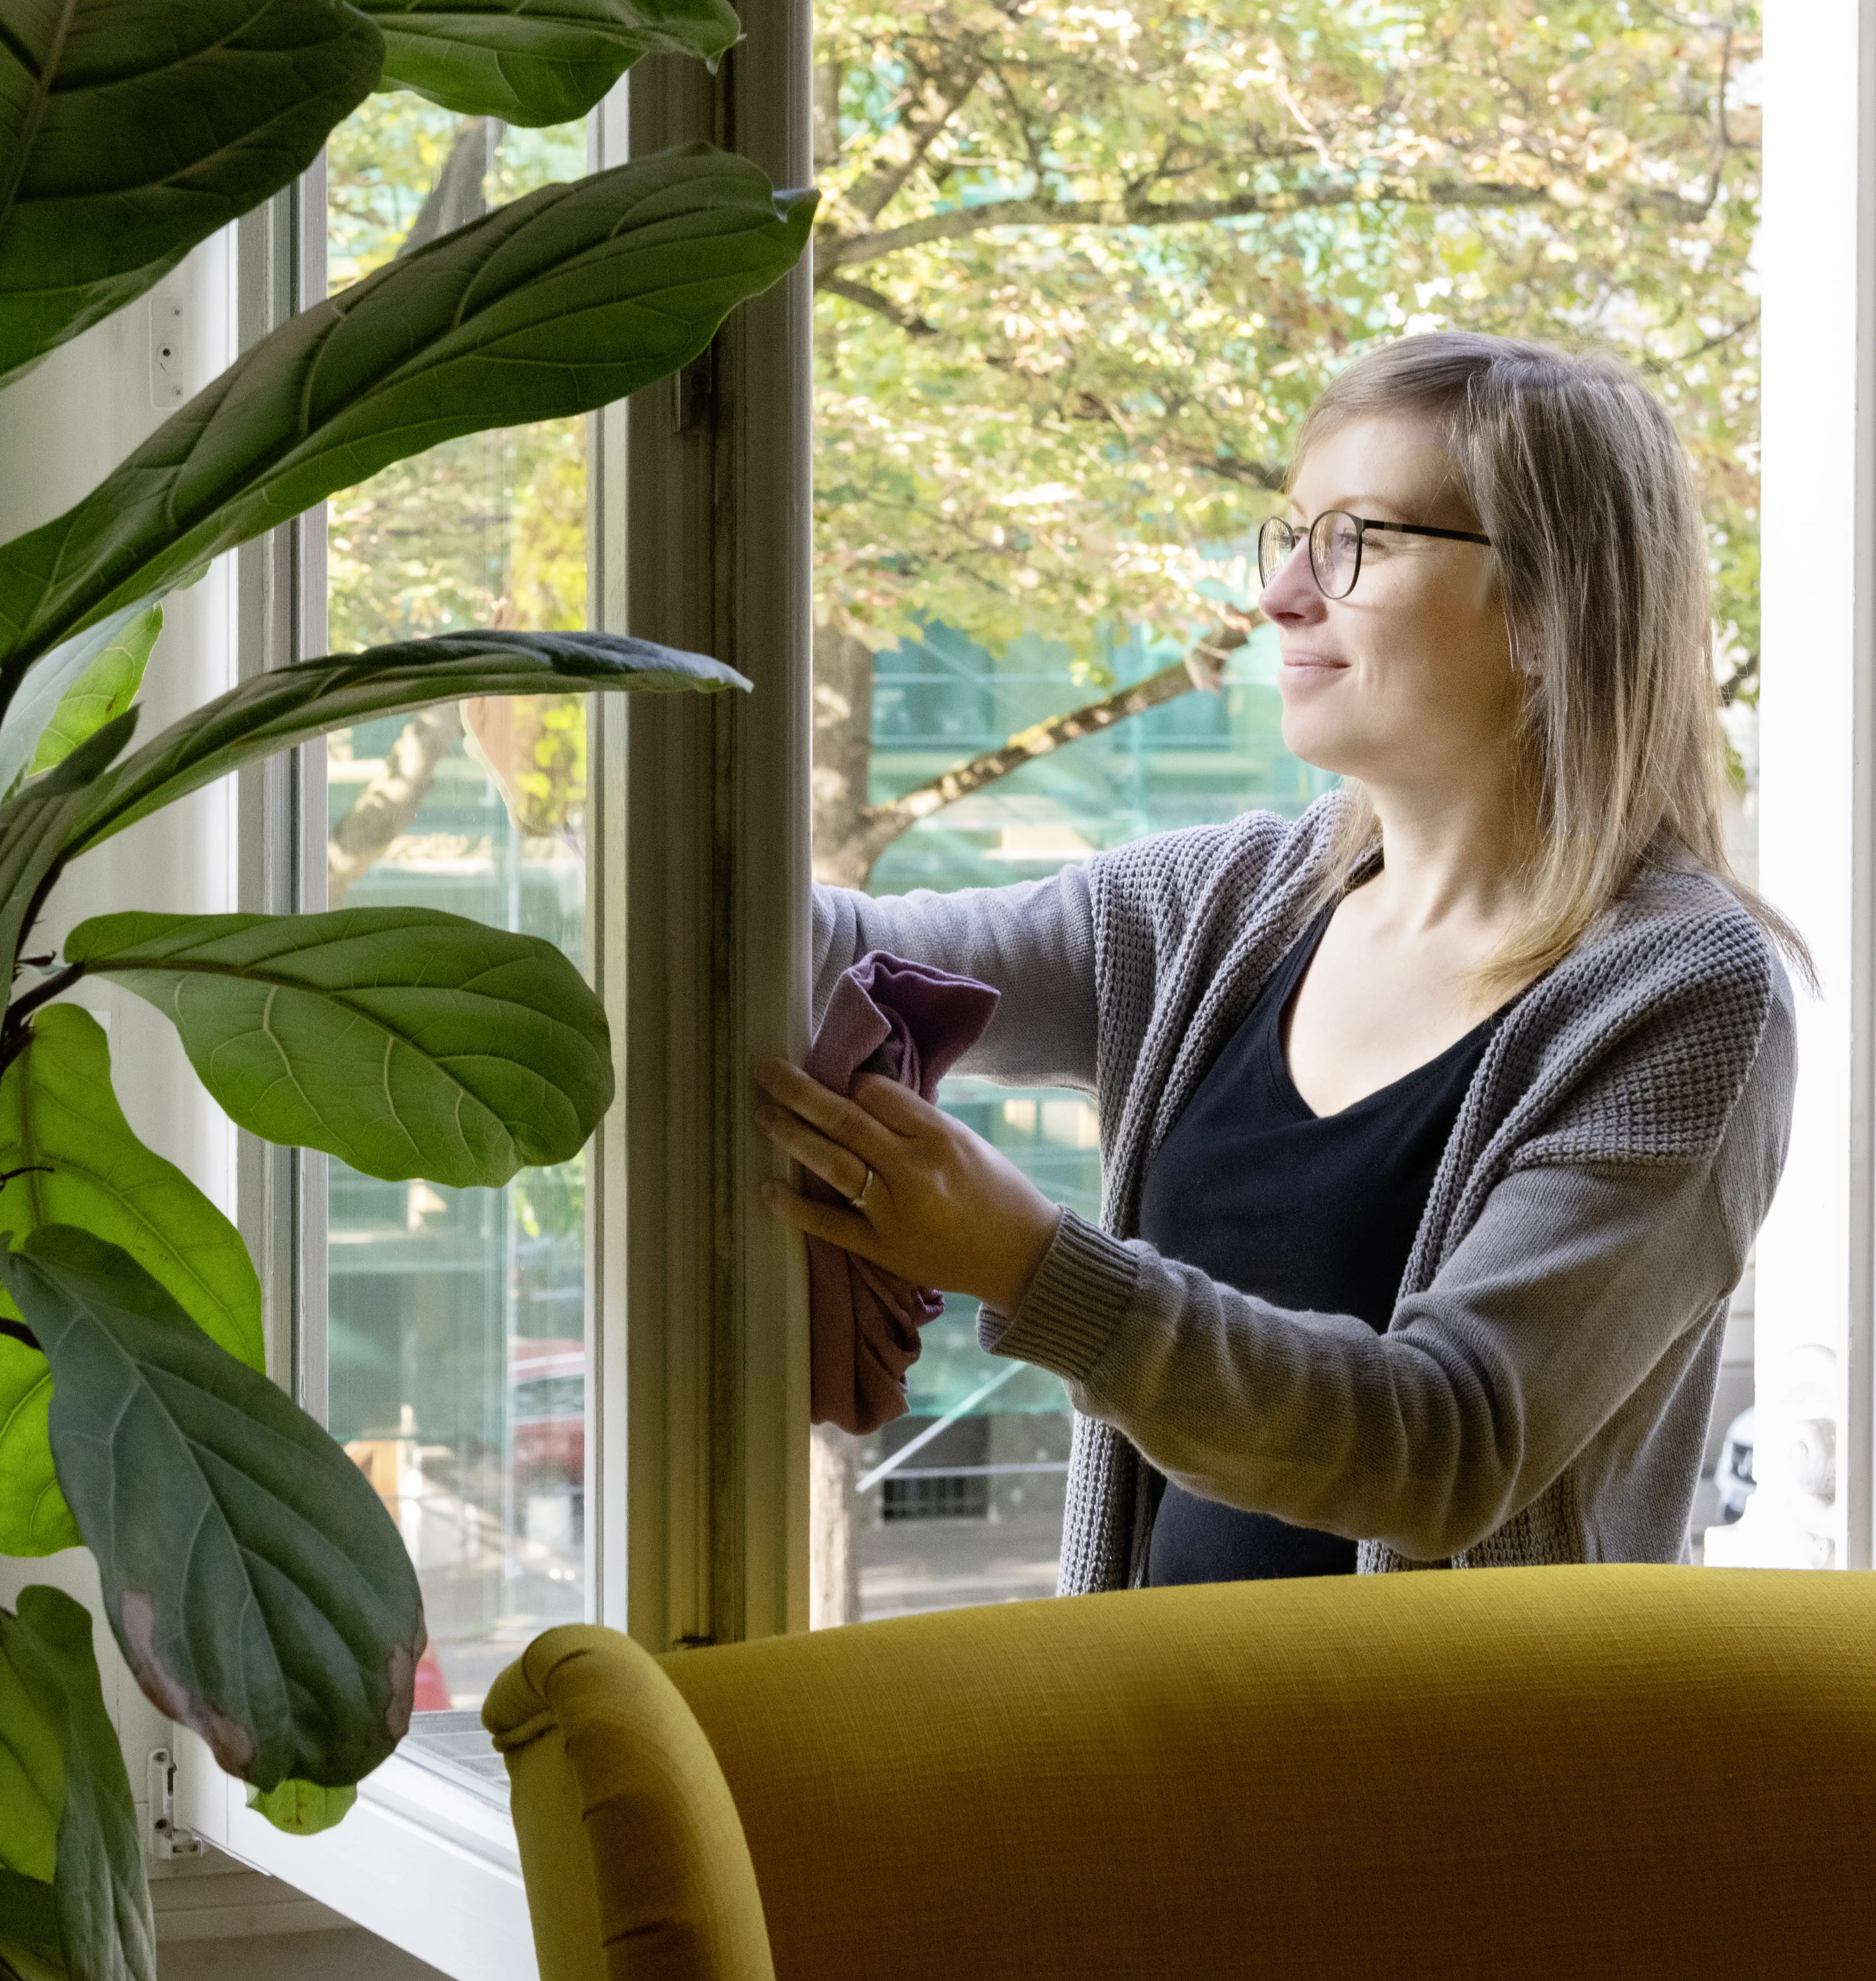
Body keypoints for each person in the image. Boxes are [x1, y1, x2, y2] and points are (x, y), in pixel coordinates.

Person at [752, 331, 1804, 1587]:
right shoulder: (1219, 908)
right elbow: (832, 955)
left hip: (1460, 1775)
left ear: (1544, 608)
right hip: (1167, 1749)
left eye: (1357, 540)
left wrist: (1027, 1265)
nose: (1283, 596)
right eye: (1291, 534)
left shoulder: (1681, 996)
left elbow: (1447, 1447)